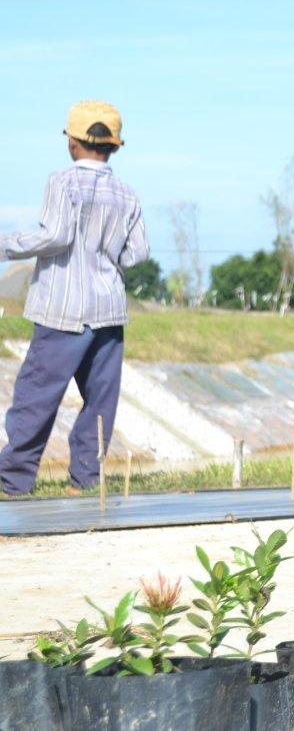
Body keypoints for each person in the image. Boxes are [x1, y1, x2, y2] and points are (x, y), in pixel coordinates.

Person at [0, 101, 149, 495]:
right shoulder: (127, 195)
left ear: (73, 142)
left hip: (61, 310)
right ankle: (85, 481)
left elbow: (56, 236)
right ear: (114, 145)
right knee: (101, 400)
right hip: (108, 312)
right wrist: (107, 257)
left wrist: (6, 245)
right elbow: (137, 254)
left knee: (36, 396)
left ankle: (13, 482)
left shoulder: (62, 182)